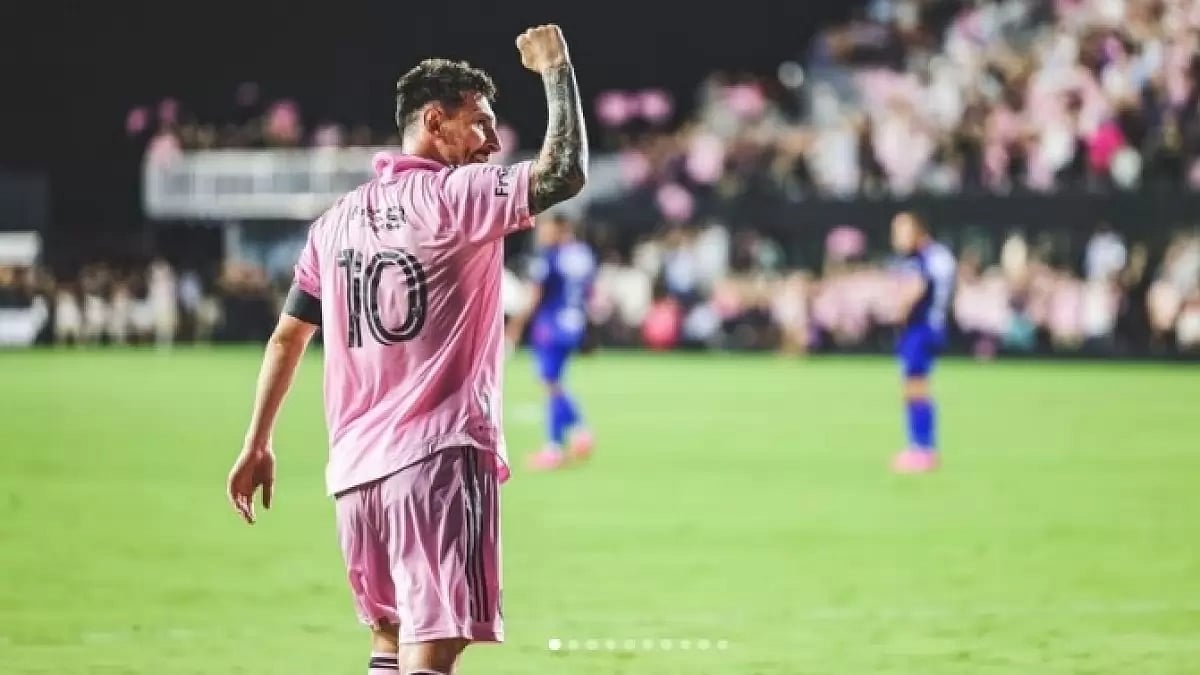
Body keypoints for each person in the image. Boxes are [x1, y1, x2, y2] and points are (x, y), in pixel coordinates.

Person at [225, 24, 588, 675]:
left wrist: (257, 441)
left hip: (356, 475)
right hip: (438, 458)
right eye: (479, 122)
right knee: (431, 654)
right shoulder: (455, 197)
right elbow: (563, 172)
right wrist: (557, 69)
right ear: (433, 121)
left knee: (389, 644)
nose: (492, 141)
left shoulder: (332, 226)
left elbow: (289, 335)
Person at [506, 214, 597, 470]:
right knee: (554, 383)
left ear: (561, 228)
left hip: (550, 326)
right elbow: (589, 292)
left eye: (547, 228)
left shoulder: (550, 256)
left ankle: (559, 444)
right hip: (574, 324)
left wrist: (515, 327)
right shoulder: (584, 254)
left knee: (550, 385)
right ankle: (578, 432)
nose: (543, 233)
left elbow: (536, 294)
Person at [888, 211, 956, 474]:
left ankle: (922, 449)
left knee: (916, 387)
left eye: (901, 231)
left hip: (922, 328)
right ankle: (920, 446)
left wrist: (899, 309)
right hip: (927, 327)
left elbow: (918, 288)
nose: (896, 238)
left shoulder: (927, 258)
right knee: (913, 387)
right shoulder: (934, 256)